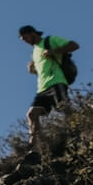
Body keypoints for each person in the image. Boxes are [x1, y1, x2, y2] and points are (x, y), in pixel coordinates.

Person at [19, 25, 80, 154]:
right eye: (23, 40)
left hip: (57, 82)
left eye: (26, 38)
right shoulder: (34, 52)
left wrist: (55, 51)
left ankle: (78, 132)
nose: (26, 41)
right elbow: (44, 69)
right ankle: (36, 147)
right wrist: (33, 70)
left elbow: (74, 45)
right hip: (42, 88)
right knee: (32, 114)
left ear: (32, 33)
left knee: (64, 108)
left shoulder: (49, 40)